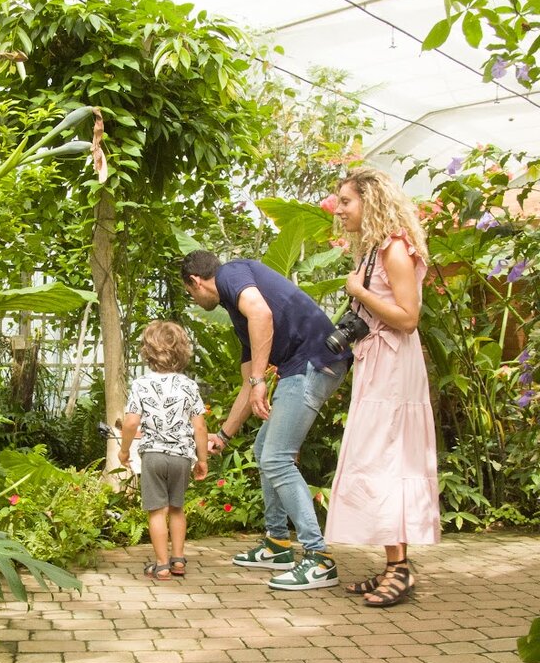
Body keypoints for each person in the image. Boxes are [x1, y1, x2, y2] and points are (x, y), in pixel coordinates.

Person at [181, 250, 351, 590]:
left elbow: (262, 314)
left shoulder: (231, 275)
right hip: (302, 367)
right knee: (264, 450)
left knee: (277, 457)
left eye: (189, 293)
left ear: (196, 282)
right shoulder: (238, 314)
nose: (193, 299)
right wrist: (224, 436)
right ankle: (277, 544)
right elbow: (248, 384)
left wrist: (260, 380)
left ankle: (319, 558)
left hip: (312, 362)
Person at [326, 166, 440, 607]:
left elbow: (409, 319)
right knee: (377, 458)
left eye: (347, 201)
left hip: (395, 370)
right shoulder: (374, 249)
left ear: (370, 201)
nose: (339, 210)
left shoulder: (395, 249)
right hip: (377, 366)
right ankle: (392, 563)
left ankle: (401, 569)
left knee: (391, 458)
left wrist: (359, 290)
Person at [119, 320, 209, 580]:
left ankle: (161, 564)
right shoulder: (190, 386)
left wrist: (124, 451)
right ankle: (178, 559)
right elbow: (200, 427)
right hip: (182, 457)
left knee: (157, 510)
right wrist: (201, 459)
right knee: (177, 508)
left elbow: (131, 422)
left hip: (153, 456)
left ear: (147, 351)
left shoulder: (141, 385)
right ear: (182, 351)